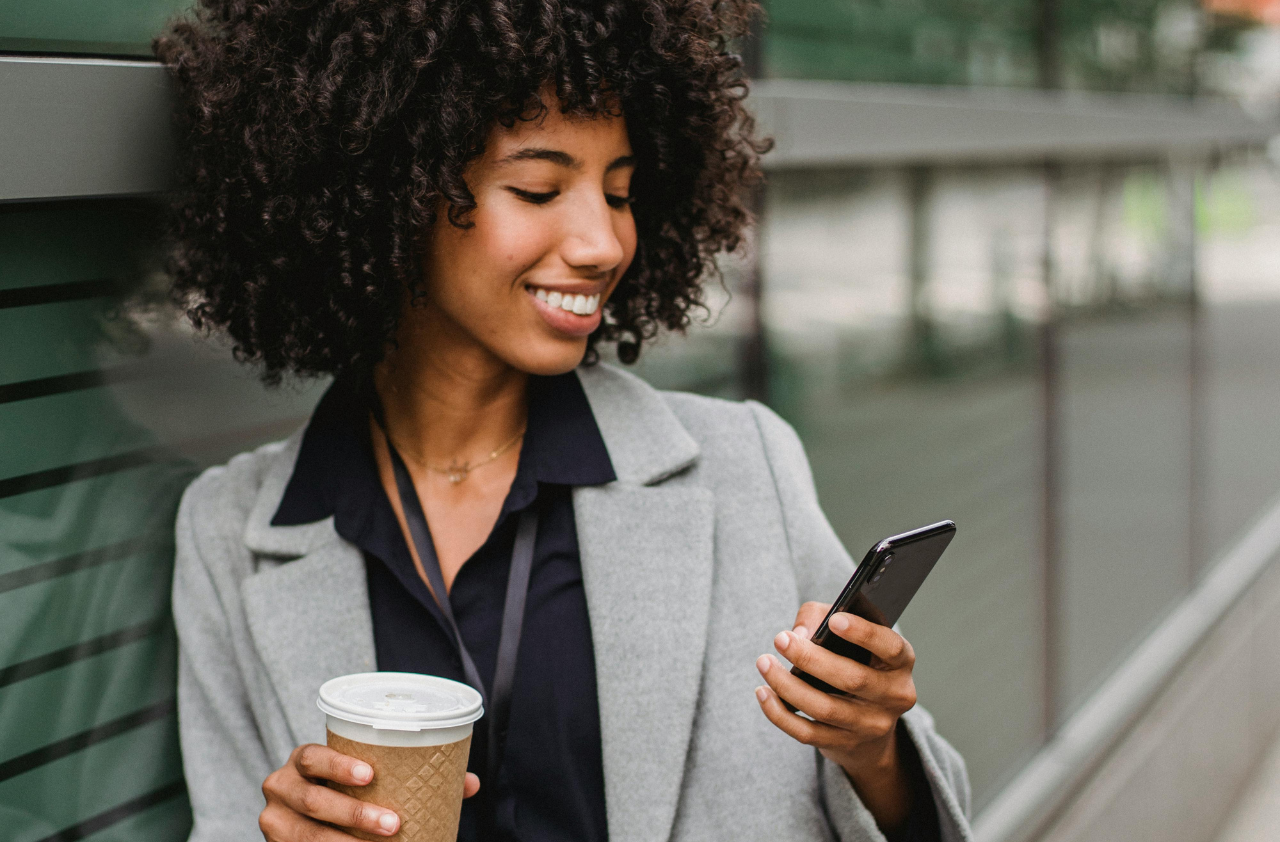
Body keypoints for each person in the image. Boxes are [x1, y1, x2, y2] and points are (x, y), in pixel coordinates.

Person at [157, 1, 971, 840]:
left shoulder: (746, 467)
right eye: (539, 188)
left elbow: (938, 820)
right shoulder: (230, 531)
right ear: (393, 194)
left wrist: (873, 747)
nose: (604, 243)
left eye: (618, 192)